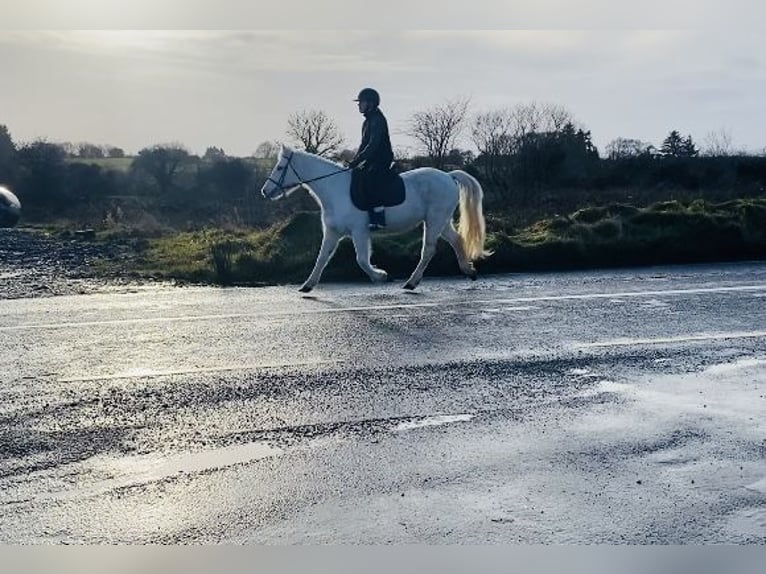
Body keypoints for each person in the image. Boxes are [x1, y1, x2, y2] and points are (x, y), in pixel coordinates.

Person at [348, 87, 394, 230]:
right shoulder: (367, 121)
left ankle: (379, 218)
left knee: (370, 177)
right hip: (371, 159)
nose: (359, 105)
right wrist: (354, 161)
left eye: (361, 102)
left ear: (370, 103)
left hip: (381, 158)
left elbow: (373, 145)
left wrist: (359, 160)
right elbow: (363, 144)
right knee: (356, 175)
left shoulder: (378, 120)